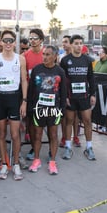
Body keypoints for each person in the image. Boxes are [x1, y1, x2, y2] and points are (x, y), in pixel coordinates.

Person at [0, 30, 27, 180]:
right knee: (1, 134)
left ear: (14, 42)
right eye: (5, 40)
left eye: (11, 40)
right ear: (1, 42)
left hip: (14, 98)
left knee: (16, 134)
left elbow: (24, 80)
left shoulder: (20, 59)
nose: (8, 43)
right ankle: (4, 163)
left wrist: (24, 101)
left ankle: (16, 163)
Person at [27, 45, 66, 175]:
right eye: (44, 54)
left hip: (54, 109)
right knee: (37, 135)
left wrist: (62, 109)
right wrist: (30, 107)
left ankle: (52, 162)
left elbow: (63, 92)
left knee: (53, 135)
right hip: (39, 108)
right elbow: (31, 89)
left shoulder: (60, 71)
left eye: (48, 54)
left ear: (55, 56)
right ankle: (36, 160)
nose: (45, 57)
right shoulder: (37, 70)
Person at [60, 34, 96, 161]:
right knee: (69, 121)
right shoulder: (65, 61)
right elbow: (62, 80)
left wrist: (93, 94)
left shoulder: (87, 60)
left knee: (87, 120)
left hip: (84, 96)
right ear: (71, 44)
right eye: (76, 43)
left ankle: (89, 147)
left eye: (81, 43)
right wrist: (64, 97)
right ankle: (68, 147)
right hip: (70, 97)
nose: (79, 46)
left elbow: (91, 78)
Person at [22, 28, 45, 161]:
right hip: (31, 95)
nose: (32, 41)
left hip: (46, 95)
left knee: (45, 125)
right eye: (30, 38)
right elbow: (24, 78)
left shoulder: (46, 54)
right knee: (31, 124)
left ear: (41, 40)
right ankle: (33, 148)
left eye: (35, 38)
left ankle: (48, 151)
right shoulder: (25, 56)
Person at [93, 46, 107, 133]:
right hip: (97, 89)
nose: (100, 53)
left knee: (106, 108)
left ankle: (106, 126)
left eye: (101, 52)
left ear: (106, 54)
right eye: (99, 52)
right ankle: (99, 123)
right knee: (98, 106)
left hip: (106, 89)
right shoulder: (98, 63)